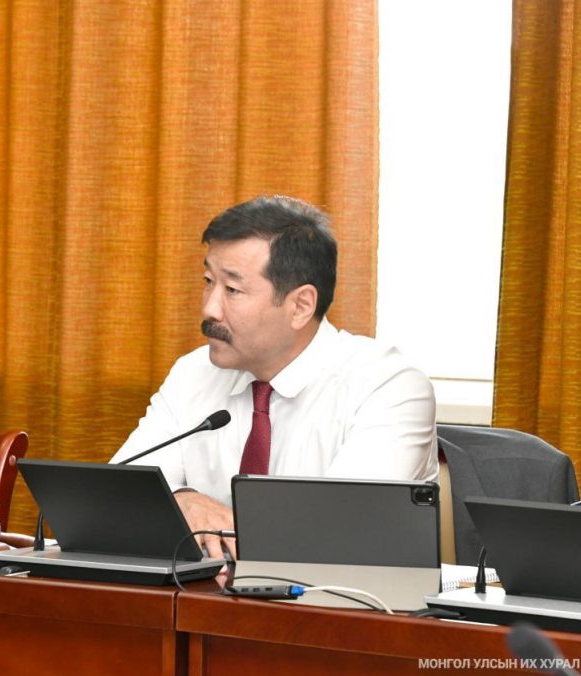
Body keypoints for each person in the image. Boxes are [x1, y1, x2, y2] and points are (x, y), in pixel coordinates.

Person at [110, 195, 438, 560]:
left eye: (232, 290)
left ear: (300, 306)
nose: (209, 308)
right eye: (208, 281)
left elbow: (342, 531)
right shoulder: (194, 372)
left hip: (341, 594)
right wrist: (183, 499)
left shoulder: (388, 386)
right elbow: (116, 494)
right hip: (204, 592)